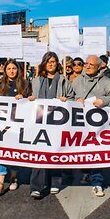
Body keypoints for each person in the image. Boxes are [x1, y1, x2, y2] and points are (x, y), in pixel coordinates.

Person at [28, 51, 75, 198]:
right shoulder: (35, 81)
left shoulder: (63, 81)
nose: (50, 64)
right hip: (39, 121)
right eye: (48, 61)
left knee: (55, 151)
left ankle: (55, 182)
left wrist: (66, 100)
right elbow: (27, 97)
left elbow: (72, 98)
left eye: (53, 61)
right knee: (39, 153)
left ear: (57, 64)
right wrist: (29, 98)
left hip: (57, 122)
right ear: (44, 63)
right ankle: (37, 186)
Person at [72, 55, 110, 197]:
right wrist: (75, 99)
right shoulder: (77, 80)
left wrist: (103, 101)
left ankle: (97, 181)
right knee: (82, 151)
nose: (88, 66)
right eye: (86, 64)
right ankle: (86, 173)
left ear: (99, 66)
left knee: (96, 152)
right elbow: (68, 96)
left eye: (92, 64)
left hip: (98, 125)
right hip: (80, 123)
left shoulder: (106, 81)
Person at [0, 59, 31, 195]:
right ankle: (0, 182)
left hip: (18, 125)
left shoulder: (25, 84)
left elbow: (31, 101)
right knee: (2, 152)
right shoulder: (0, 84)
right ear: (5, 70)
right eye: (9, 69)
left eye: (14, 68)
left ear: (18, 70)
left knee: (13, 153)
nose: (11, 71)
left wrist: (24, 97)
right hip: (2, 125)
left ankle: (14, 178)